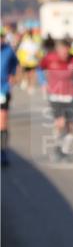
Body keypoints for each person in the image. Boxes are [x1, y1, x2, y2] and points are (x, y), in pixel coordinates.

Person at [38, 39, 73, 161]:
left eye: (67, 50)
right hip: (56, 95)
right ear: (57, 50)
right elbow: (39, 69)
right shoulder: (49, 58)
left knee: (71, 125)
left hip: (71, 95)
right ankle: (58, 147)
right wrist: (43, 82)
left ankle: (64, 150)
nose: (64, 53)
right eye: (62, 50)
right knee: (60, 122)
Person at [0, 34, 19, 166]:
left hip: (3, 90)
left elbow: (15, 63)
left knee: (2, 121)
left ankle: (2, 151)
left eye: (1, 37)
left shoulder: (8, 50)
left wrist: (12, 74)